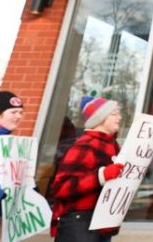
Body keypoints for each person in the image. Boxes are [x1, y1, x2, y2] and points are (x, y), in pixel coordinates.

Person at [51, 95, 124, 241]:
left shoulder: (113, 146)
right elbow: (61, 188)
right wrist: (100, 176)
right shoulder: (85, 145)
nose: (120, 117)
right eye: (115, 113)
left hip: (101, 222)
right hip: (79, 223)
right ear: (100, 118)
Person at [0, 90, 25, 237]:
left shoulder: (12, 142)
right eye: (13, 112)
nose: (18, 116)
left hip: (6, 212)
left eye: (20, 112)